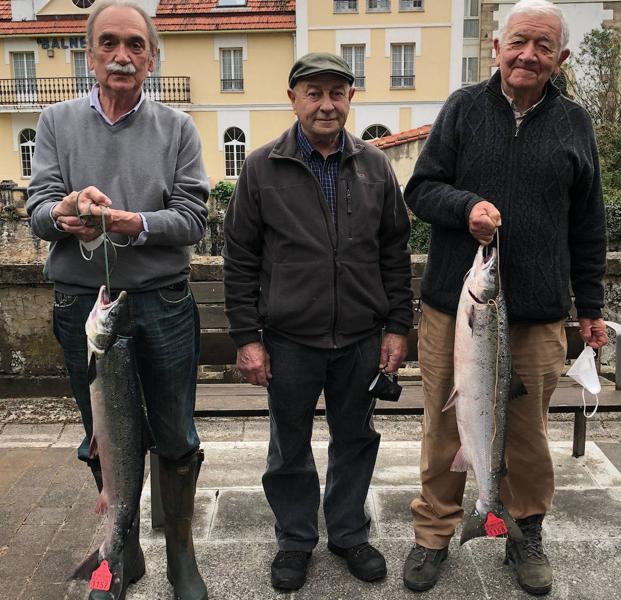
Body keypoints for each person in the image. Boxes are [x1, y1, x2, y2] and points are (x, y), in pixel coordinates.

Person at [402, 0, 608, 595]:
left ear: (560, 58)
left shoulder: (575, 123)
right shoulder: (464, 108)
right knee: (447, 429)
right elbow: (421, 189)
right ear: (496, 47)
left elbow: (588, 227)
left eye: (543, 46)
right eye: (519, 42)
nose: (528, 55)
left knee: (527, 433)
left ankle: (524, 529)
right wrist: (465, 207)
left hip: (540, 314)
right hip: (458, 311)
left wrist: (589, 308)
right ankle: (434, 533)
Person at [26, 2, 209, 599]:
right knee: (103, 433)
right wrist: (65, 213)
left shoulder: (177, 128)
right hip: (84, 306)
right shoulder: (54, 122)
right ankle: (122, 549)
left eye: (135, 45)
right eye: (108, 44)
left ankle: (181, 554)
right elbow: (37, 210)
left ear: (152, 57)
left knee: (177, 435)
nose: (121, 56)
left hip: (162, 302)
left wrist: (136, 226)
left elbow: (193, 218)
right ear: (90, 54)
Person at [223, 52, 413, 591]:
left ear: (351, 98)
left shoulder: (375, 166)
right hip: (289, 339)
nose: (326, 103)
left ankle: (350, 532)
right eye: (314, 92)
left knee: (356, 438)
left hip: (359, 336)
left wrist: (397, 325)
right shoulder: (261, 167)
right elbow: (240, 258)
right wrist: (247, 338)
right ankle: (295, 539)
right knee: (290, 444)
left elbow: (394, 252)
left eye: (337, 92)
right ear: (293, 99)